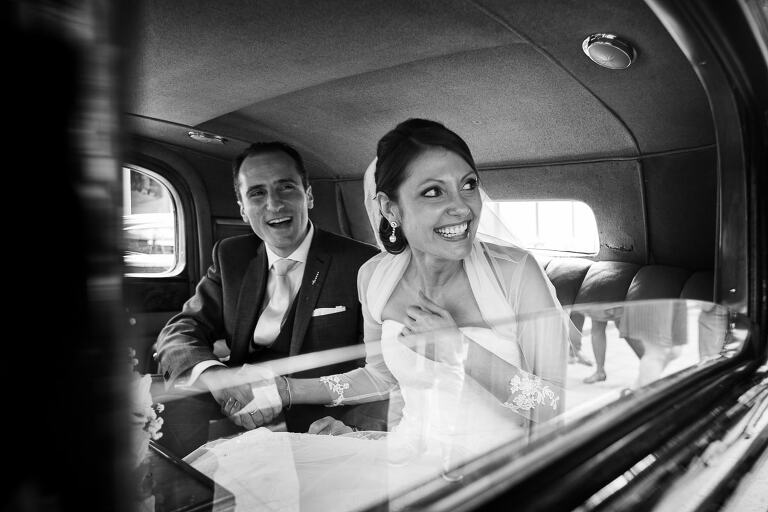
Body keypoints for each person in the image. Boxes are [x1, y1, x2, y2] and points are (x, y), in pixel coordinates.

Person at [236, 119, 572, 453]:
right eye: (433, 191)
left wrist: (459, 350)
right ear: (389, 208)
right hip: (408, 457)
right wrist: (287, 390)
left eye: (468, 185)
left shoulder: (516, 274)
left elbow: (556, 406)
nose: (462, 207)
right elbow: (380, 377)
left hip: (502, 470)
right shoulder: (374, 277)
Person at [154, 141, 382, 457]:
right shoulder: (232, 255)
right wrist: (218, 378)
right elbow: (181, 330)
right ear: (242, 208)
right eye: (257, 193)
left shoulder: (362, 263)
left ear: (308, 195)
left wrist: (355, 427)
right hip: (236, 410)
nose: (274, 204)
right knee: (162, 414)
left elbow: (385, 369)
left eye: (286, 187)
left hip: (318, 421)